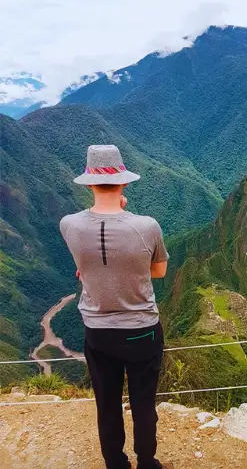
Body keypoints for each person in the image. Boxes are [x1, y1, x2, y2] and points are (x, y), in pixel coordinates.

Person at [60, 145, 172, 469]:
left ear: (89, 184)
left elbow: (85, 263)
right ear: (124, 183)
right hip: (142, 333)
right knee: (143, 402)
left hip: (99, 334)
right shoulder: (147, 226)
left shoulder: (69, 225)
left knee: (106, 403)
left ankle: (115, 463)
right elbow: (159, 271)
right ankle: (147, 462)